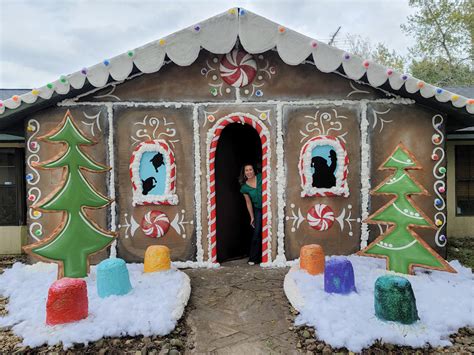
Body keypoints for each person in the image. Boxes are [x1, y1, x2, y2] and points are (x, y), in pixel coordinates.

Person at [239, 163, 262, 265]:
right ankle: (253, 258)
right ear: (244, 173)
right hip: (258, 209)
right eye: (246, 170)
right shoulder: (244, 188)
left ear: (254, 170)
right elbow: (248, 203)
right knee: (256, 232)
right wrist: (252, 217)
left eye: (250, 169)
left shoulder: (261, 177)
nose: (249, 172)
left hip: (269, 207)